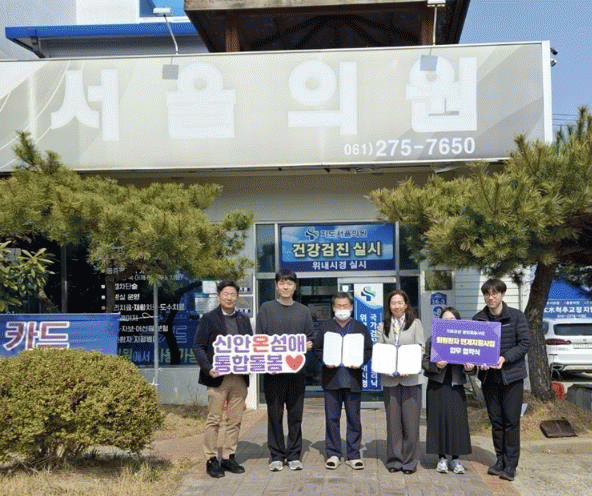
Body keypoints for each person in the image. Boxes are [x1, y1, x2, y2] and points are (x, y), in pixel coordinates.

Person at [193, 280, 253, 478]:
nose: (229, 297)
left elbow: (251, 346)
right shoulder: (209, 319)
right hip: (217, 377)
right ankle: (211, 459)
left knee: (235, 420)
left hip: (239, 378)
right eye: (225, 294)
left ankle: (228, 457)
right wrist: (208, 368)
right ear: (219, 296)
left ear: (238, 297)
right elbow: (199, 346)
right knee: (214, 419)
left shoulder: (243, 320)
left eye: (233, 294)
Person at [256, 269, 314, 472]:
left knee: (295, 415)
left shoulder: (303, 311)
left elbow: (310, 338)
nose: (286, 286)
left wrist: (308, 345)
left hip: (297, 372)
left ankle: (294, 454)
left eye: (289, 283)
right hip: (273, 372)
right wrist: (267, 364)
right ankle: (276, 455)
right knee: (274, 414)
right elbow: (259, 340)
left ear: (295, 286)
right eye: (282, 283)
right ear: (276, 285)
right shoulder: (266, 309)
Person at [473, 278, 530, 482]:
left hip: (512, 377)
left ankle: (510, 465)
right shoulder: (479, 319)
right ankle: (499, 460)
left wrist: (505, 358)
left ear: (502, 294)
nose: (491, 297)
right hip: (489, 379)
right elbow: (475, 347)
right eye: (487, 294)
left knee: (511, 422)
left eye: (495, 293)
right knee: (496, 421)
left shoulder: (516, 316)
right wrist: (479, 361)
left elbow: (525, 343)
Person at [314, 293, 372, 470]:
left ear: (351, 307)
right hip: (331, 379)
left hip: (353, 379)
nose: (342, 309)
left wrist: (360, 361)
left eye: (345, 305)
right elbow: (317, 348)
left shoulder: (360, 327)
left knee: (354, 418)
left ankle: (353, 454)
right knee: (332, 418)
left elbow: (368, 349)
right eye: (338, 306)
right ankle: (333, 453)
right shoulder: (325, 327)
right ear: (333, 308)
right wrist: (325, 360)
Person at [376, 289, 424, 474]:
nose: (396, 306)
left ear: (405, 304)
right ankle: (395, 460)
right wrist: (383, 366)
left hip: (411, 379)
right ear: (389, 306)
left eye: (399, 302)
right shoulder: (383, 326)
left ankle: (410, 462)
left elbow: (421, 348)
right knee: (393, 423)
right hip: (390, 380)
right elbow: (379, 350)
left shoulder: (415, 324)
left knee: (411, 423)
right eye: (393, 303)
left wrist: (410, 366)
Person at [423, 306, 474, 475]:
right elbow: (424, 362)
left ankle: (456, 459)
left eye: (452, 319)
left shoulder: (466, 340)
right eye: (445, 320)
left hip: (456, 386)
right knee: (438, 422)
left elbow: (474, 363)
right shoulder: (433, 340)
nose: (449, 322)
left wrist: (469, 368)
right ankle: (442, 458)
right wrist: (436, 365)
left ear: (458, 321)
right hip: (437, 386)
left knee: (457, 422)